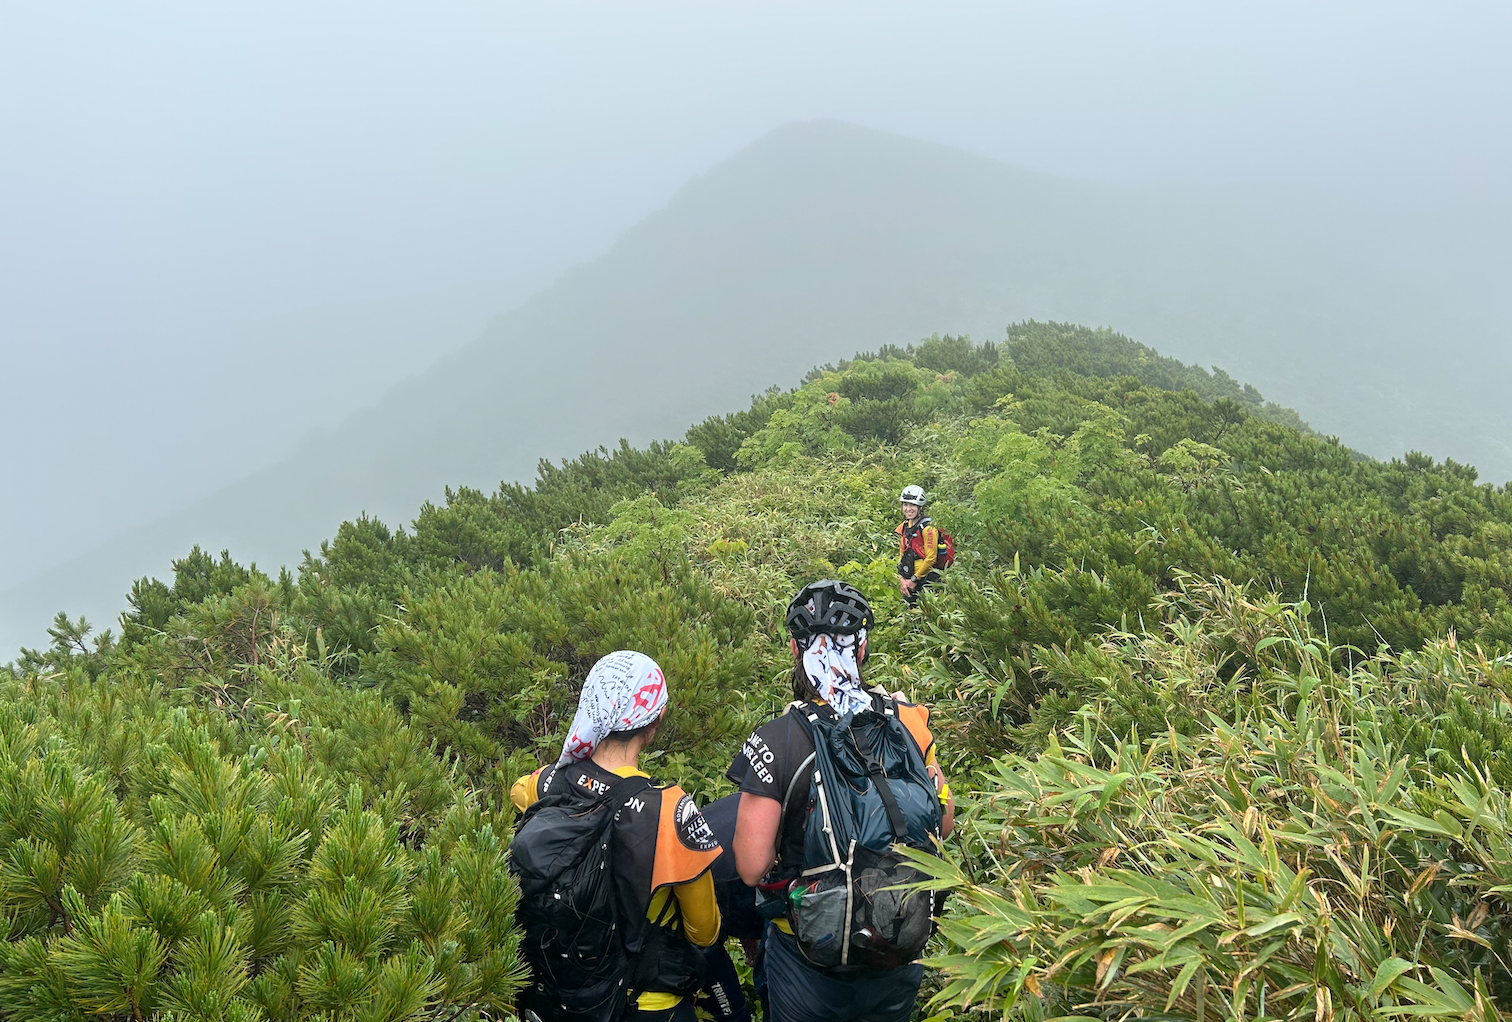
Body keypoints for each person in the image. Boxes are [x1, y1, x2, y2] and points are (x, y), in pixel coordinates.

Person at [729, 581, 955, 1022]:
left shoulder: (778, 740)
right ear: (862, 647)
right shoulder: (907, 721)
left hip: (809, 957)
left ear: (795, 650)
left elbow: (752, 866)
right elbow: (943, 823)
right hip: (896, 938)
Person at [511, 650, 722, 1022]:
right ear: (655, 719)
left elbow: (517, 791)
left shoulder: (548, 783)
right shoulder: (669, 809)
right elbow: (704, 931)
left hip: (562, 996)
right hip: (645, 1003)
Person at [895, 486, 944, 605]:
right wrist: (902, 578)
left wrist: (914, 579)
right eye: (905, 505)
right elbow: (902, 553)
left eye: (912, 505)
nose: (908, 509)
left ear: (920, 507)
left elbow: (931, 558)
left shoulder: (928, 529)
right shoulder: (905, 526)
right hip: (908, 578)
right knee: (910, 611)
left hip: (927, 580)